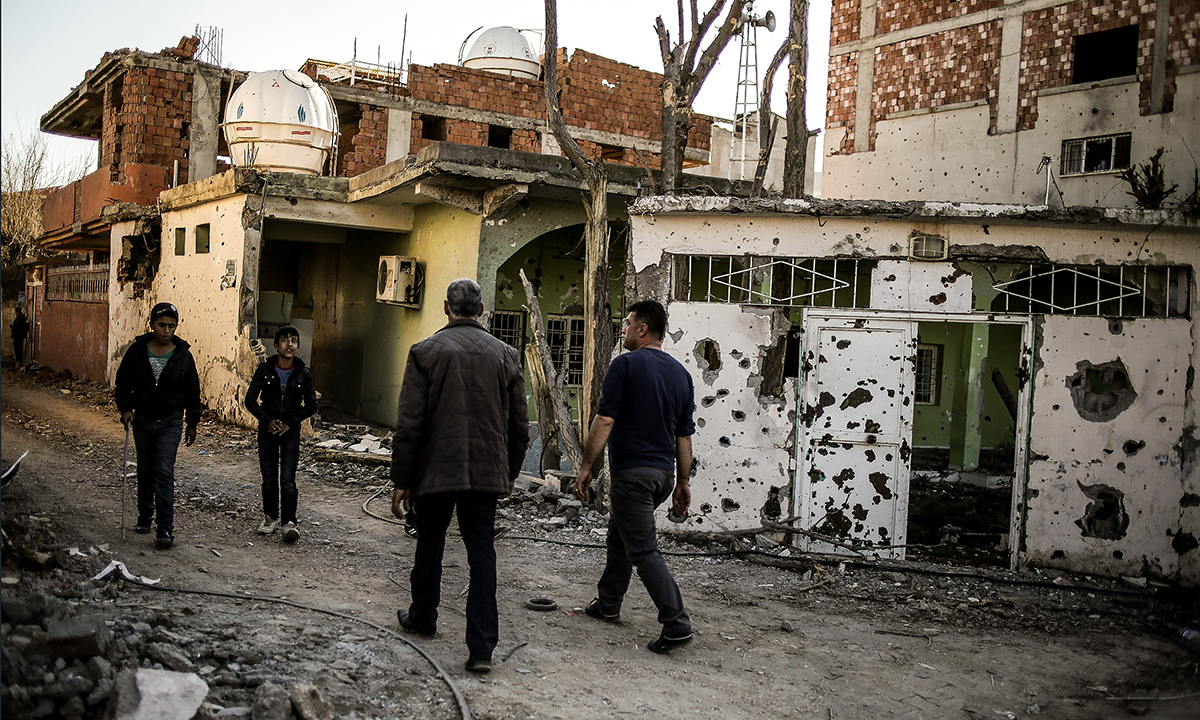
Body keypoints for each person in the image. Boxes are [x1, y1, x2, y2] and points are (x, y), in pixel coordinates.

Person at [390, 278, 529, 674]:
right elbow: (520, 425)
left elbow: (409, 423)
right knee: (482, 555)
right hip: (486, 472)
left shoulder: (425, 351)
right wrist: (511, 472)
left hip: (435, 469)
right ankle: (482, 649)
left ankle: (423, 616)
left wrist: (401, 478)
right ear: (482, 310)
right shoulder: (506, 355)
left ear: (446, 308)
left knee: (429, 543)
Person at [573, 300, 696, 654]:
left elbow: (605, 420)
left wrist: (586, 467)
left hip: (634, 476)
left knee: (643, 550)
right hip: (663, 477)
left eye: (627, 323)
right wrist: (683, 482)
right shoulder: (681, 375)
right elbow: (683, 436)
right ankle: (608, 603)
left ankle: (676, 624)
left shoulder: (624, 365)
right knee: (620, 534)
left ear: (642, 329)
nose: (624, 329)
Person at [115, 302, 202, 549]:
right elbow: (123, 383)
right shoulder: (137, 351)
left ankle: (165, 529)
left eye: (171, 326)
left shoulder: (183, 355)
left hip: (171, 421)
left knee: (164, 471)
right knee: (145, 470)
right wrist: (125, 409)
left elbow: (192, 390)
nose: (166, 330)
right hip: (142, 421)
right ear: (151, 324)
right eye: (161, 325)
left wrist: (193, 423)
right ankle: (145, 517)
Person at [245, 326, 318, 543]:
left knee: (287, 479)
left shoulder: (303, 373)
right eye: (284, 340)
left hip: (290, 433)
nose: (290, 344)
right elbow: (250, 400)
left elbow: (311, 405)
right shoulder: (264, 370)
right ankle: (270, 518)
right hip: (267, 432)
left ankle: (289, 522)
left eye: (294, 340)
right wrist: (267, 421)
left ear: (298, 345)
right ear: (275, 345)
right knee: (268, 479)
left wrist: (289, 423)